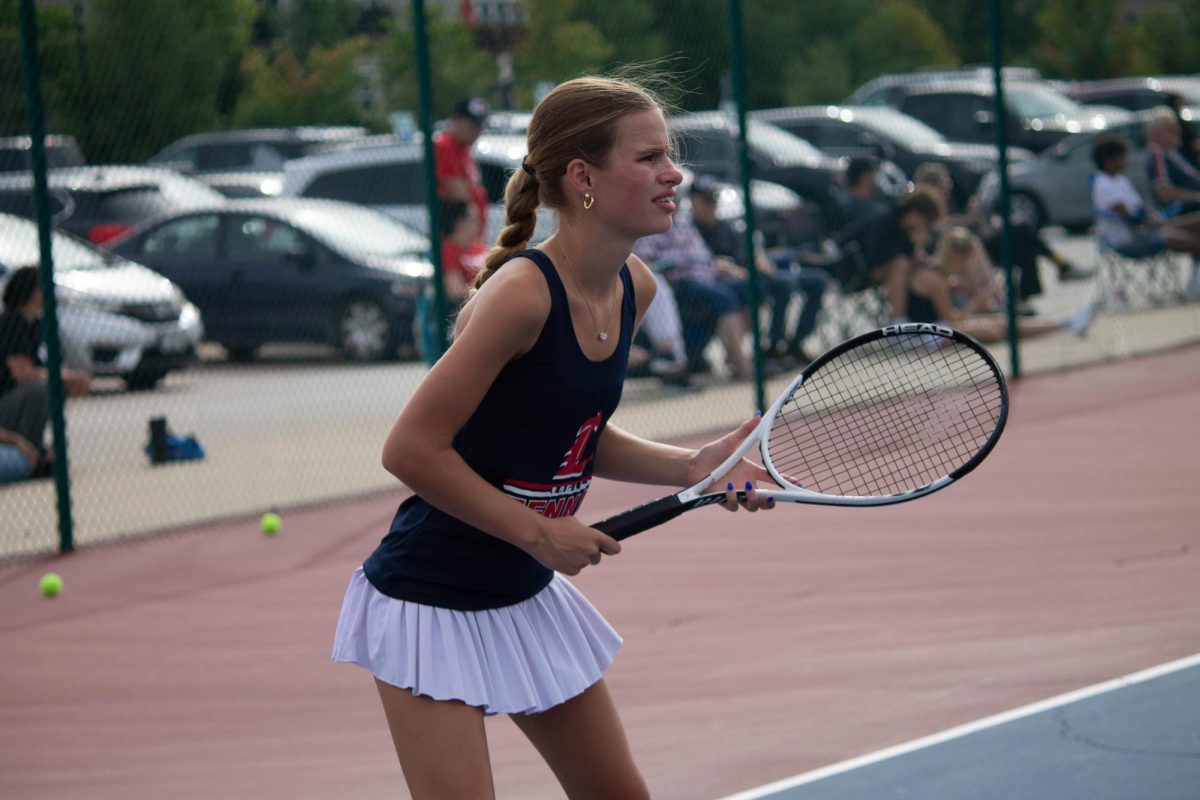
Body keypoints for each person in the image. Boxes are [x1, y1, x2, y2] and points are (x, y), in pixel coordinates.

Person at [331, 74, 776, 800]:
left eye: (670, 156)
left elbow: (570, 432)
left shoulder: (636, 286)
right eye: (650, 158)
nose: (675, 174)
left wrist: (691, 466)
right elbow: (409, 451)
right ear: (583, 178)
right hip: (429, 597)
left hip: (520, 590)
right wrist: (540, 533)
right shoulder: (521, 295)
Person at [689, 174, 830, 366]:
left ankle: (795, 344)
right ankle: (772, 348)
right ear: (694, 202)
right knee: (782, 285)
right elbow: (705, 263)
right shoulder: (690, 232)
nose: (712, 205)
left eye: (714, 199)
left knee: (817, 280)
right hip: (730, 282)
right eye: (706, 200)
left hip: (755, 273)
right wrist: (728, 267)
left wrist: (759, 258)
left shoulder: (724, 227)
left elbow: (747, 253)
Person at [912, 162, 1089, 305]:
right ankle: (1055, 271)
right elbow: (944, 233)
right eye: (944, 180)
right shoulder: (928, 207)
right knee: (1022, 237)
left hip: (979, 242)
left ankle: (1040, 284)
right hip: (964, 251)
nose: (949, 184)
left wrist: (980, 219)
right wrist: (968, 219)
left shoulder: (952, 200)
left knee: (1022, 234)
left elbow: (975, 226)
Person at [908, 225, 1097, 342]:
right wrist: (976, 305)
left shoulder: (942, 275)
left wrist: (972, 293)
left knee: (1001, 322)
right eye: (964, 262)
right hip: (927, 335)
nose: (964, 267)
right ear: (955, 256)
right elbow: (951, 320)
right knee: (994, 330)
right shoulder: (933, 278)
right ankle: (1067, 324)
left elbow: (952, 311)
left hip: (938, 327)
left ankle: (1067, 324)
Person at [634, 212, 756, 379]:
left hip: (708, 275)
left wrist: (723, 266)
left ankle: (732, 356)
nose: (673, 200)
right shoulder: (649, 227)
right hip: (681, 280)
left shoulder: (686, 225)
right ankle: (743, 366)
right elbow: (643, 262)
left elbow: (705, 256)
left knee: (748, 288)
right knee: (723, 297)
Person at [0, 265, 91, 484]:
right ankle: (28, 453)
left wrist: (72, 379)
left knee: (54, 386)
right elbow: (23, 374)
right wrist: (64, 378)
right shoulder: (12, 322)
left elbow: (45, 367)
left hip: (19, 405)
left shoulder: (38, 325)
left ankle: (35, 448)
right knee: (42, 389)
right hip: (6, 405)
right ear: (35, 292)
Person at [832, 186, 945, 322]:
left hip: (875, 270)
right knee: (901, 264)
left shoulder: (904, 229)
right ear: (914, 213)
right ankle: (898, 322)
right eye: (926, 223)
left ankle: (925, 318)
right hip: (852, 271)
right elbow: (877, 256)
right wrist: (911, 245)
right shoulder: (885, 220)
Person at [1091, 133, 1200, 261]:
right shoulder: (1104, 185)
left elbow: (1139, 209)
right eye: (1123, 157)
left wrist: (1155, 218)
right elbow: (1131, 217)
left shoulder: (1119, 179)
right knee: (1194, 241)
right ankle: (1195, 279)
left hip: (1148, 230)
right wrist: (1154, 221)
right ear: (1110, 160)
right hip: (1133, 240)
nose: (1127, 160)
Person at [435, 97, 490, 244]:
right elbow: (458, 193)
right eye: (472, 124)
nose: (477, 130)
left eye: (480, 125)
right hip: (457, 236)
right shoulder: (445, 146)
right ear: (456, 120)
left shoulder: (465, 149)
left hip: (472, 236)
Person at [1144, 106, 1200, 218]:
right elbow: (1164, 193)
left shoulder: (1172, 152)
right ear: (1157, 133)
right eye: (1171, 128)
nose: (1178, 131)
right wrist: (1196, 197)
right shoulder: (1157, 153)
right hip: (1183, 214)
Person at [438, 198, 488, 307]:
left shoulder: (479, 248)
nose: (479, 222)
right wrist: (487, 291)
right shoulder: (448, 248)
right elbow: (455, 290)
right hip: (467, 307)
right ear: (460, 222)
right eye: (474, 219)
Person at [836, 156, 889, 229]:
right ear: (864, 178)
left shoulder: (840, 199)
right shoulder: (849, 204)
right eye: (872, 174)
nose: (875, 179)